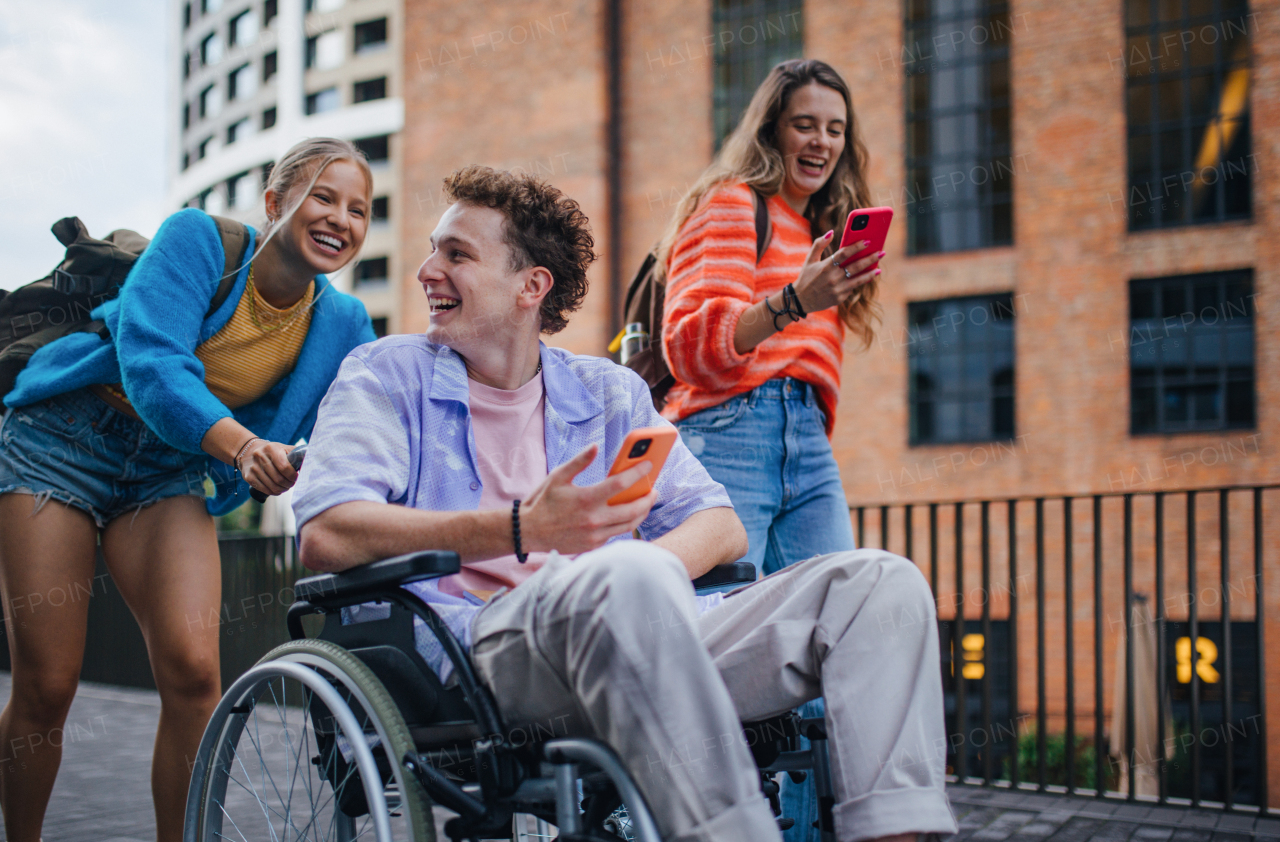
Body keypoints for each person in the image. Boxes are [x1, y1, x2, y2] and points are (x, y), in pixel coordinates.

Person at [293, 165, 956, 842]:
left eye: (456, 253)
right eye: (434, 248)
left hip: (652, 627)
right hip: (484, 648)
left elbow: (720, 523)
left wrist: (647, 577)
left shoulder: (606, 391)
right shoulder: (384, 375)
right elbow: (327, 532)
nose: (427, 270)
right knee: (623, 575)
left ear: (531, 286)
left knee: (879, 584)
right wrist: (522, 527)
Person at [0, 138, 376, 842]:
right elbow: (152, 364)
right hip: (66, 438)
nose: (341, 219)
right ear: (275, 203)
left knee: (196, 672)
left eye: (359, 209)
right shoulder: (198, 239)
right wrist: (243, 445)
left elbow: (360, 423)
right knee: (48, 684)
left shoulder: (343, 323)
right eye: (324, 197)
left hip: (167, 469)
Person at [655, 58, 882, 839]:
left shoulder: (820, 236)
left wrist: (818, 294)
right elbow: (689, 346)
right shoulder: (730, 206)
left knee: (839, 635)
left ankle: (811, 827)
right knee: (717, 647)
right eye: (804, 123)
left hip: (807, 448)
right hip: (728, 429)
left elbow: (811, 372)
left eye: (835, 128)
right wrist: (794, 300)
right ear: (771, 129)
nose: (820, 140)